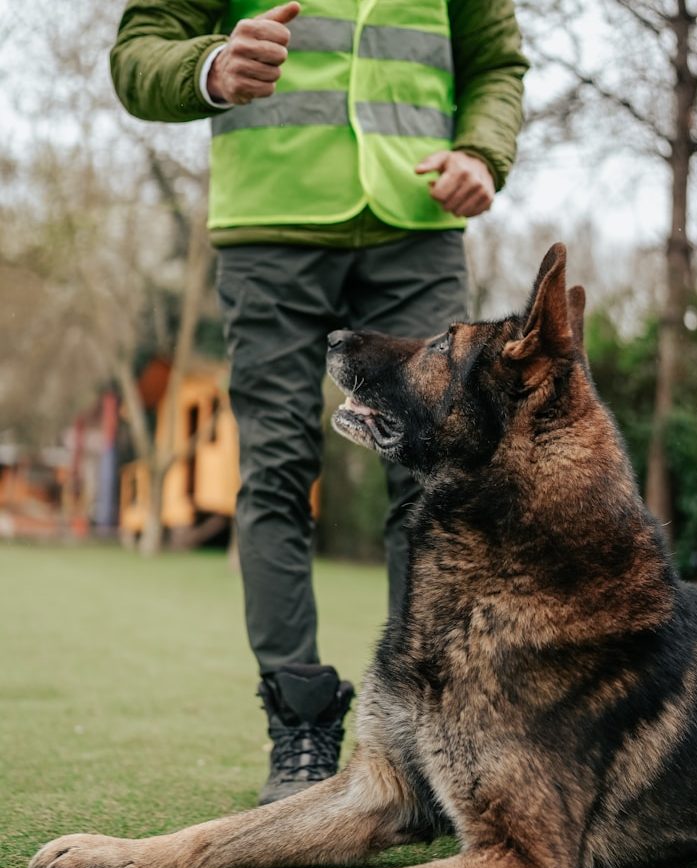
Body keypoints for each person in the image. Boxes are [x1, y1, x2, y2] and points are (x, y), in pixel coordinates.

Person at [110, 0, 528, 804]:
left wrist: (483, 149)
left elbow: (497, 66)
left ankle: (426, 729)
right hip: (272, 227)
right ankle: (300, 727)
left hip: (419, 221)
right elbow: (139, 52)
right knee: (278, 467)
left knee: (441, 476)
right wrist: (210, 68)